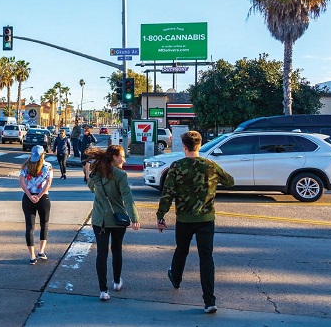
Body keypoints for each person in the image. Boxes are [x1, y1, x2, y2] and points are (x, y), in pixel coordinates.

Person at [156, 130, 234, 314]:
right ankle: (209, 301)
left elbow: (167, 193)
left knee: (181, 250)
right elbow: (230, 182)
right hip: (206, 219)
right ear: (199, 145)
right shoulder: (210, 165)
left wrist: (161, 215)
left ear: (184, 147)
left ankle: (176, 278)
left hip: (184, 219)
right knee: (206, 257)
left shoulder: (177, 166)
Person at [87, 145, 140, 301]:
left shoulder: (96, 172)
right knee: (117, 250)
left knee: (101, 253)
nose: (124, 159)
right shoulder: (120, 175)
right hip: (117, 219)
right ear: (114, 157)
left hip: (100, 219)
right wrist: (134, 217)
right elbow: (127, 197)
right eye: (122, 156)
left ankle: (103, 290)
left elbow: (91, 187)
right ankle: (116, 282)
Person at [19, 145, 54, 265]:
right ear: (43, 154)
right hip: (43, 197)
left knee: (29, 227)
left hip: (28, 198)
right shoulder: (48, 166)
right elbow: (48, 183)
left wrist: (29, 195)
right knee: (44, 224)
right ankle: (41, 251)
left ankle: (32, 256)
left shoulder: (25, 166)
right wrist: (39, 196)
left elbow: (21, 181)